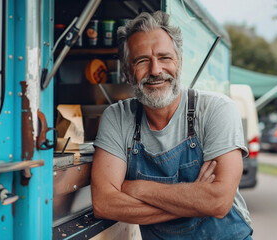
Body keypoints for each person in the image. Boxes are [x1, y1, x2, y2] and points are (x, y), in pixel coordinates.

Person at [91, 11, 253, 239]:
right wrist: (195, 200)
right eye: (142, 61)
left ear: (179, 62)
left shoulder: (216, 110)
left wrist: (137, 188)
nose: (156, 70)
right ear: (127, 73)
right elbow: (105, 204)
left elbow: (217, 202)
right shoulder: (117, 117)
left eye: (165, 57)